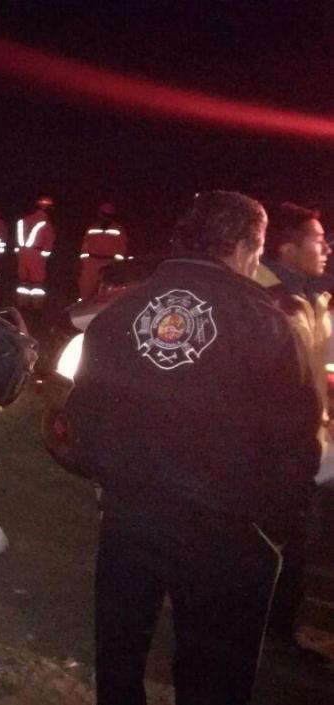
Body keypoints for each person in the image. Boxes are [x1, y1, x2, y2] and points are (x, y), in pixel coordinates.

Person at [67, 191, 321, 705]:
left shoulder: (122, 311)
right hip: (223, 528)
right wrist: (272, 516)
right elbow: (296, 438)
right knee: (214, 671)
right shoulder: (268, 323)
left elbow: (83, 411)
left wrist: (110, 477)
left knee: (120, 653)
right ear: (248, 246)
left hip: (129, 516)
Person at [254, 202, 332, 665]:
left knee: (298, 538)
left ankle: (279, 628)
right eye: (317, 239)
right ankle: (263, 632)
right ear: (287, 247)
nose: (326, 247)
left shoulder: (313, 296)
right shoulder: (263, 297)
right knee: (273, 539)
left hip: (306, 441)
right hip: (271, 444)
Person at [78, 203, 128, 300]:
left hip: (109, 262)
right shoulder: (92, 229)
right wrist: (84, 263)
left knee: (108, 291)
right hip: (91, 262)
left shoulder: (119, 230)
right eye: (103, 215)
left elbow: (122, 249)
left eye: (107, 215)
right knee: (86, 288)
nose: (105, 218)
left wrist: (117, 264)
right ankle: (83, 307)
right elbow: (85, 247)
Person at [15, 196, 55, 308]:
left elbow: (17, 237)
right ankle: (36, 306)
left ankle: (22, 304)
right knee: (37, 283)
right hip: (37, 255)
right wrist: (44, 256)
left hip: (22, 254)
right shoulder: (46, 224)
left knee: (23, 281)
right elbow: (48, 242)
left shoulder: (23, 220)